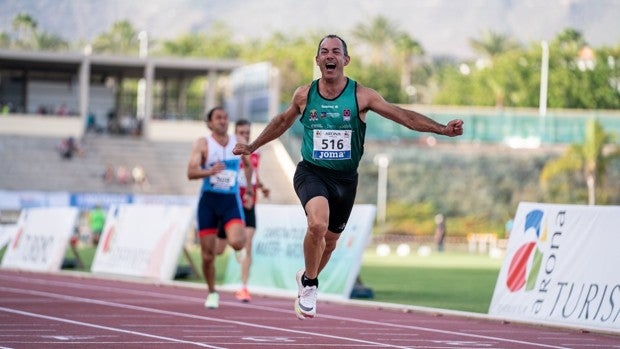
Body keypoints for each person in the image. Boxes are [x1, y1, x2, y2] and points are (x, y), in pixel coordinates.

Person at [233, 34, 464, 320]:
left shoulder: (361, 95)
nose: (330, 56)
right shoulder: (304, 94)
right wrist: (253, 145)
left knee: (330, 242)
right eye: (324, 52)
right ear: (318, 61)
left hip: (345, 180)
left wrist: (441, 129)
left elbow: (400, 115)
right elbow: (282, 121)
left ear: (345, 60)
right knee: (317, 223)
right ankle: (311, 286)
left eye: (336, 52)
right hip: (312, 171)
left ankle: (306, 277)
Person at [187, 106, 253, 309]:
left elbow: (249, 166)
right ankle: (212, 292)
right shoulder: (203, 143)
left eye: (225, 117)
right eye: (218, 118)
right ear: (209, 123)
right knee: (208, 255)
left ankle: (238, 249)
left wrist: (249, 191)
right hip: (209, 202)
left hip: (230, 201)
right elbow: (191, 172)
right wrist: (209, 171)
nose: (223, 121)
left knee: (238, 241)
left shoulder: (237, 142)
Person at [215, 119, 270, 303]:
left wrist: (260, 187)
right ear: (235, 132)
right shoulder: (229, 152)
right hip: (230, 205)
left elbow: (253, 174)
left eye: (247, 132)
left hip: (249, 204)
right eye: (241, 132)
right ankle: (231, 241)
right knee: (218, 249)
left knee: (247, 243)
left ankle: (244, 288)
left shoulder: (255, 152)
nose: (245, 135)